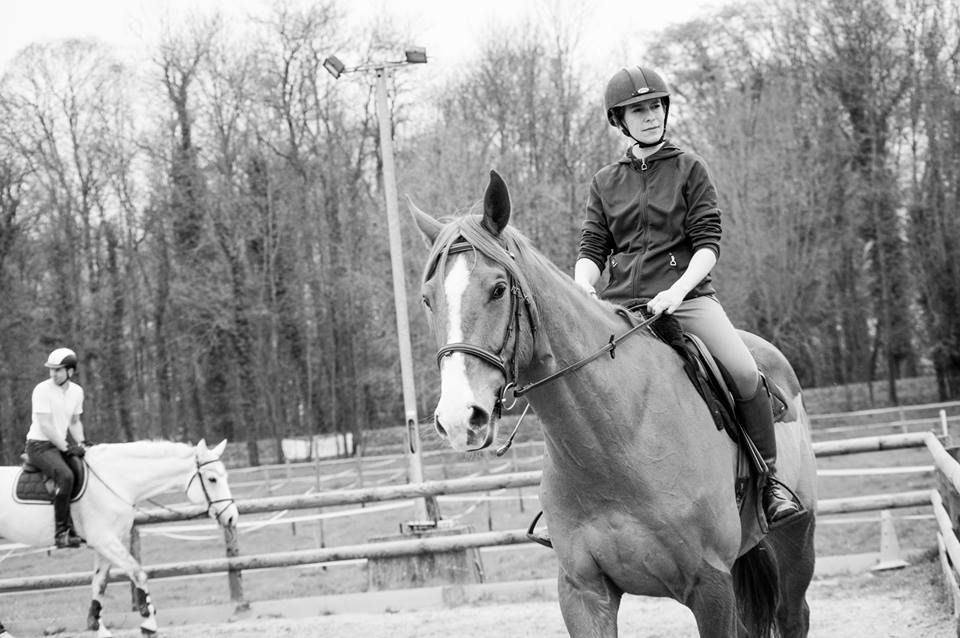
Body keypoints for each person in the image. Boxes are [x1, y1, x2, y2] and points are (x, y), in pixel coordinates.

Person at [574, 65, 800, 524]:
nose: (650, 115)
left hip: (688, 300)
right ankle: (578, 500)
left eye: (655, 106)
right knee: (578, 381)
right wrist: (582, 287)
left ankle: (770, 482)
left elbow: (707, 243)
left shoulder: (690, 168)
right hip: (622, 307)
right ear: (620, 120)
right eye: (638, 110)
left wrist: (677, 292)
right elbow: (593, 247)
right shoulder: (605, 181)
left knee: (743, 371)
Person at [24, 347, 87, 548]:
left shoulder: (77, 392)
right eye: (51, 369)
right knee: (65, 476)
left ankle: (81, 524)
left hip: (58, 445)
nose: (53, 373)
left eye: (58, 370)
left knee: (83, 470)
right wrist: (66, 447)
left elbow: (75, 422)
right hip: (39, 446)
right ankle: (62, 532)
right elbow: (45, 425)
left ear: (70, 371)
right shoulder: (42, 390)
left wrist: (82, 443)